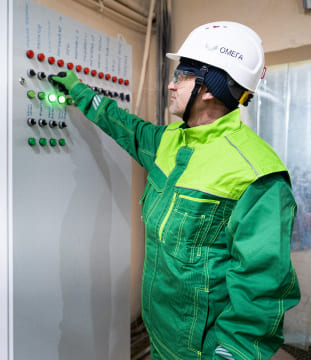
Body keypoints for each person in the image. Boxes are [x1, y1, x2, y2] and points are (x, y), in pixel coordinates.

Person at [51, 21, 301, 360]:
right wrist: (80, 92)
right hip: (161, 337)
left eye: (181, 75)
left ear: (209, 87)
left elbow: (262, 289)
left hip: (201, 352)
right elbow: (127, 128)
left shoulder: (256, 174)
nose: (171, 84)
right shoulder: (170, 140)